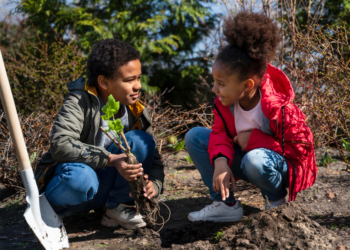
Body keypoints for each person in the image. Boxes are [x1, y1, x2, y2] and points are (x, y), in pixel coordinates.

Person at [185, 11, 317, 223]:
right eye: (214, 81)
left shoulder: (281, 108)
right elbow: (219, 132)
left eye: (221, 83)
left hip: (280, 169)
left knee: (255, 159)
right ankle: (226, 204)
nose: (214, 89)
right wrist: (220, 161)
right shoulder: (225, 104)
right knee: (195, 137)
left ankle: (275, 205)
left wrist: (254, 140)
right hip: (250, 161)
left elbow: (301, 150)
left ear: (247, 85)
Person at [34, 38, 164, 229]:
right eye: (129, 80)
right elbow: (60, 145)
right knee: (81, 178)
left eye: (139, 78)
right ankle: (52, 214)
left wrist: (154, 184)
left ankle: (116, 208)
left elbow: (155, 163)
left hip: (102, 192)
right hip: (73, 189)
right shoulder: (79, 101)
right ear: (103, 81)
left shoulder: (136, 111)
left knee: (140, 140)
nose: (138, 86)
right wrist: (111, 159)